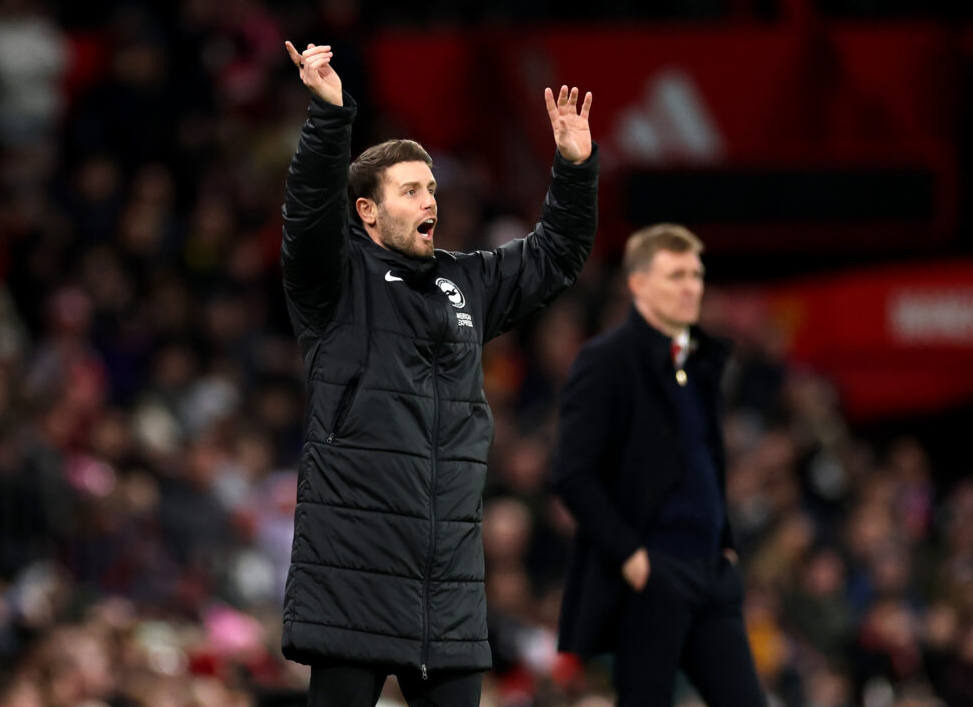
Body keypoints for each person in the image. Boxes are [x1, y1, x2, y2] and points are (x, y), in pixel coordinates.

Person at [279, 42, 599, 707]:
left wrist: (573, 169)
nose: (430, 199)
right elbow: (309, 211)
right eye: (409, 189)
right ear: (367, 212)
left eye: (431, 186)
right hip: (353, 574)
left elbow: (556, 256)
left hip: (445, 584)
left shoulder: (467, 279)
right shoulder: (334, 281)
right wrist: (330, 116)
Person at [551, 224, 768, 707]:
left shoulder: (700, 362)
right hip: (653, 574)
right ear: (639, 284)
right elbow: (572, 473)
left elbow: (707, 463)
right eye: (676, 275)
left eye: (696, 274)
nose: (692, 286)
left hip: (711, 573)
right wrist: (633, 556)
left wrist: (726, 546)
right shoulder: (605, 361)